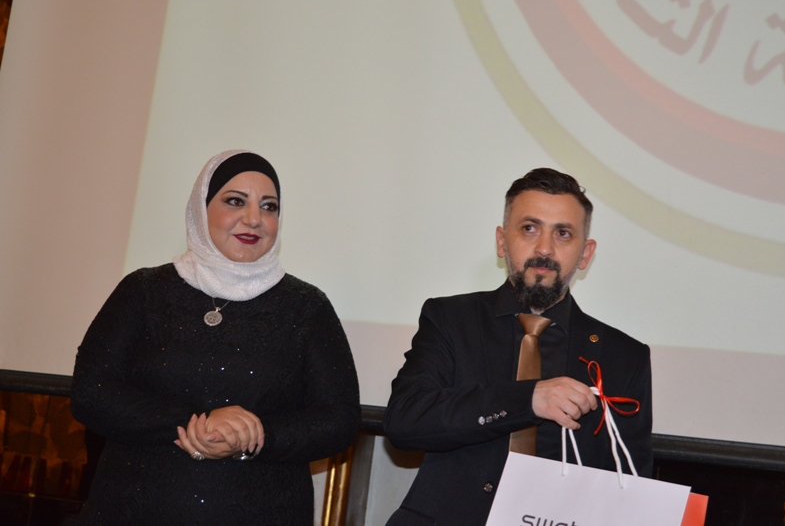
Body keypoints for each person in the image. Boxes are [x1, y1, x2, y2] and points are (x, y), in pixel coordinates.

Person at [71, 150, 360, 524]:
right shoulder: (143, 290)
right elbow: (91, 391)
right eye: (235, 201)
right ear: (201, 208)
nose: (254, 219)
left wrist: (254, 434)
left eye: (269, 207)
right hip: (133, 509)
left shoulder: (307, 307)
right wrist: (194, 422)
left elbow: (339, 419)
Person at [383, 168, 652, 525]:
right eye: (529, 228)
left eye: (563, 233)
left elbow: (630, 485)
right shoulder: (450, 318)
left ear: (585, 254)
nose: (544, 248)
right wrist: (528, 400)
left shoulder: (624, 356)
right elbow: (405, 422)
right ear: (501, 241)